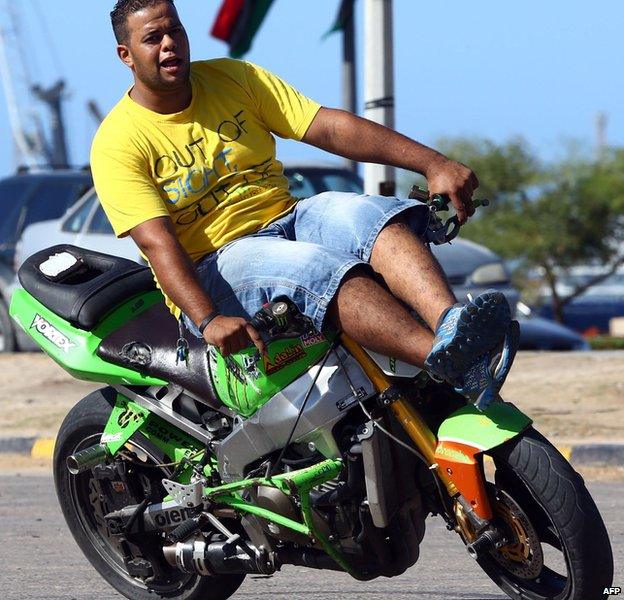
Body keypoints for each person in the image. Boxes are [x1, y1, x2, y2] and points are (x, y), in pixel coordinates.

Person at [91, 0, 518, 409]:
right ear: (126, 55)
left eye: (176, 30)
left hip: (287, 218)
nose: (169, 43)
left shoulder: (233, 78)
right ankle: (445, 362)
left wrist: (434, 163)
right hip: (216, 265)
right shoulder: (118, 142)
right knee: (316, 267)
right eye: (153, 38)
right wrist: (207, 320)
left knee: (366, 216)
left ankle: (452, 329)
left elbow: (329, 127)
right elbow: (158, 244)